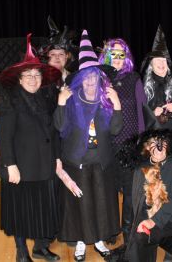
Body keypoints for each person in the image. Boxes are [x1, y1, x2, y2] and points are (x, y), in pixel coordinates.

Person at [53, 30, 121, 261]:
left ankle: (100, 240)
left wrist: (117, 104)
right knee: (80, 203)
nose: (91, 80)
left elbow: (115, 130)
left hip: (101, 161)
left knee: (101, 203)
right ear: (81, 79)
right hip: (77, 161)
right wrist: (61, 104)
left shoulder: (105, 100)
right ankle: (81, 243)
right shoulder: (70, 98)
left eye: (95, 76)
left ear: (100, 78)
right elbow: (60, 128)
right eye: (87, 76)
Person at [0, 34, 62, 262]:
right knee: (21, 212)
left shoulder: (46, 98)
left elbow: (52, 132)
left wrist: (57, 158)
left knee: (43, 210)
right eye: (28, 75)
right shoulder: (10, 101)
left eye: (37, 74)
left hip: (44, 165)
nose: (33, 79)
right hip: (21, 168)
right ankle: (22, 252)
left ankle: (41, 248)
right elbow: (4, 137)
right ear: (19, 78)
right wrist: (10, 165)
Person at [116, 129, 172, 262]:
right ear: (147, 146)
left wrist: (153, 221)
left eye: (163, 144)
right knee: (140, 237)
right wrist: (142, 222)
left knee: (158, 237)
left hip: (170, 220)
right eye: (154, 143)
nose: (158, 148)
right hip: (147, 216)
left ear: (168, 146)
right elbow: (136, 201)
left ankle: (171, 253)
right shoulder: (141, 167)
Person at [99, 38, 147, 245]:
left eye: (121, 54)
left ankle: (128, 231)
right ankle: (110, 230)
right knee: (108, 190)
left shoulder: (134, 78)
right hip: (105, 144)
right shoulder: (100, 79)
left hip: (129, 143)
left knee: (129, 191)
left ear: (126, 57)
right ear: (106, 56)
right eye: (113, 54)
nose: (117, 59)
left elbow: (142, 111)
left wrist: (142, 142)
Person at [141, 25, 172, 131]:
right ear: (151, 64)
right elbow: (139, 118)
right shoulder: (143, 87)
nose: (161, 63)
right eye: (157, 60)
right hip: (153, 138)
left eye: (164, 60)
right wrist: (152, 114)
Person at [38, 16, 78, 84]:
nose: (57, 57)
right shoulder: (38, 79)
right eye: (53, 54)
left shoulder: (76, 79)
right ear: (47, 56)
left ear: (67, 56)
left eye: (61, 54)